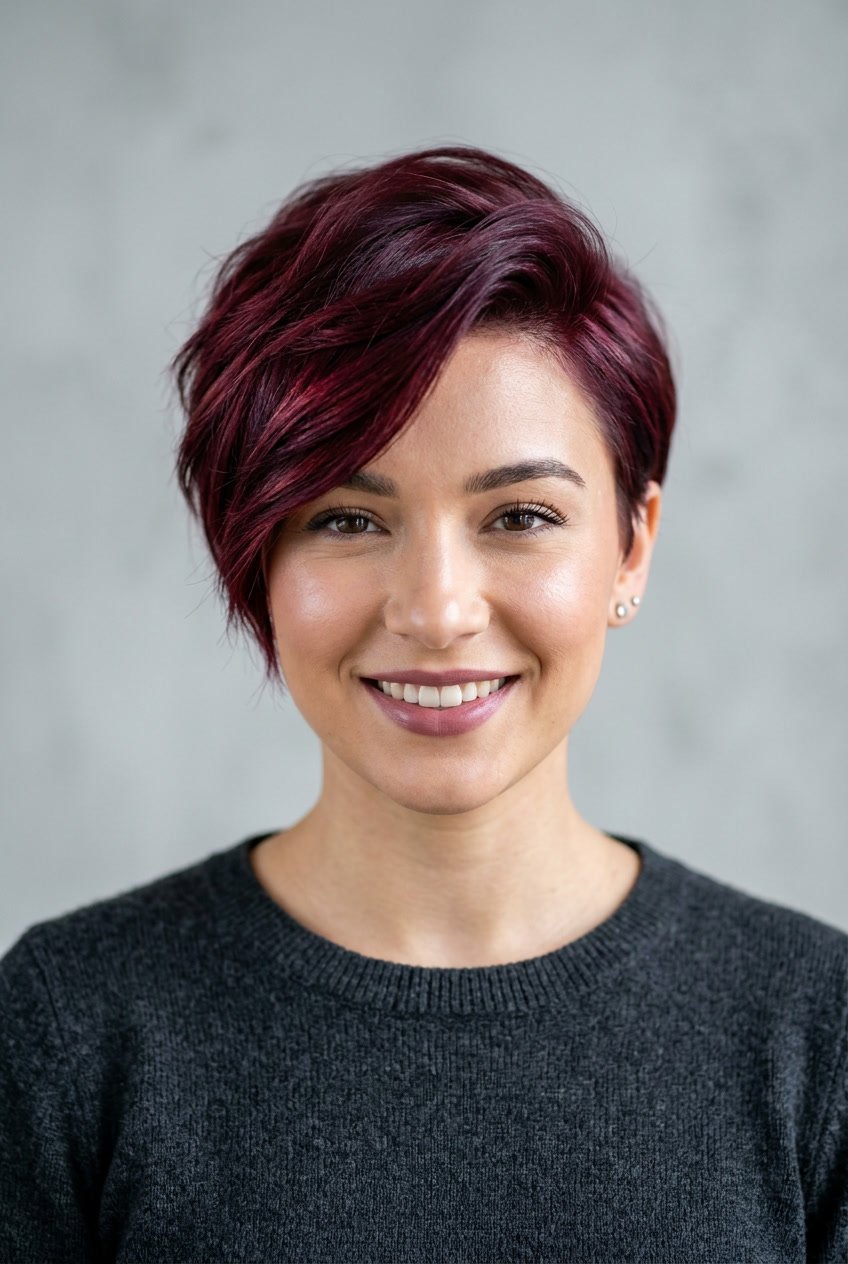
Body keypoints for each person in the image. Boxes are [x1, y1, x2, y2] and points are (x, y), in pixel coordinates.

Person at [1, 145, 845, 1263]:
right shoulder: (72, 1030)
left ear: (632, 545)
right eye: (347, 518)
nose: (437, 609)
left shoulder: (813, 1034)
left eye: (520, 517)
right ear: (252, 555)